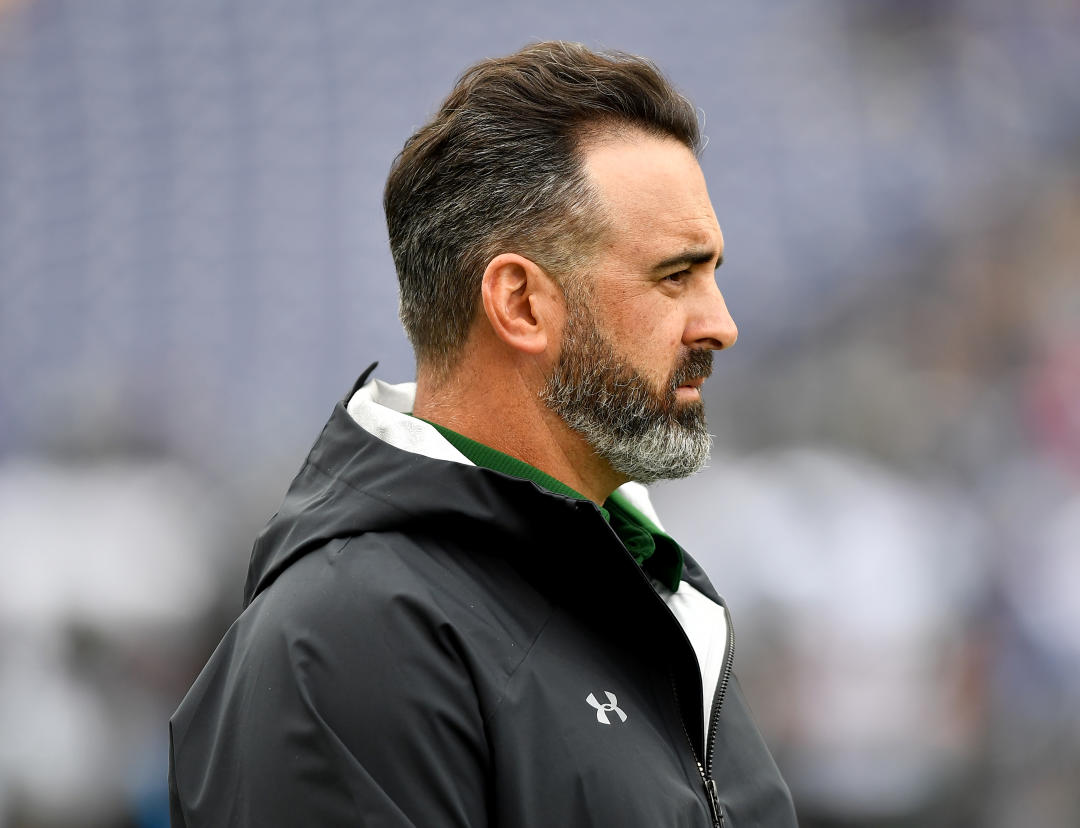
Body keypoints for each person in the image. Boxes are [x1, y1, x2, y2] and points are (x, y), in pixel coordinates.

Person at [168, 41, 797, 827]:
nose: (722, 325)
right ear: (522, 304)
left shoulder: (658, 599)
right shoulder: (350, 637)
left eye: (716, 275)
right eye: (676, 276)